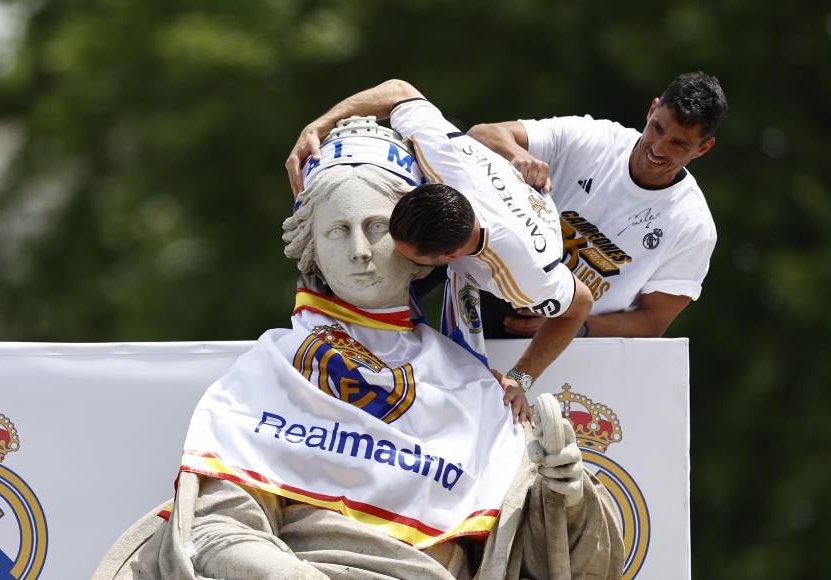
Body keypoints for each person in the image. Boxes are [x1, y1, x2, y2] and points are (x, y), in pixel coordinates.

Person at [95, 124, 622, 579]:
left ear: (422, 253)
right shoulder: (272, 367)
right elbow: (213, 529)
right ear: (312, 250)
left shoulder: (473, 383)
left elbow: (537, 556)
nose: (359, 251)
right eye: (336, 231)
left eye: (376, 228)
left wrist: (565, 494)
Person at [286, 80, 593, 419]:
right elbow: (399, 90)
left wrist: (521, 378)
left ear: (447, 259)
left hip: (533, 247)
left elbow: (580, 305)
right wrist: (317, 126)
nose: (367, 251)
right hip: (486, 189)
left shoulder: (525, 277)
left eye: (406, 253)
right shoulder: (442, 158)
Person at [466, 71, 726, 338]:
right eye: (657, 128)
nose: (658, 148)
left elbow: (651, 321)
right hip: (483, 290)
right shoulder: (591, 139)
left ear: (703, 148)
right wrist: (519, 155)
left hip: (567, 346)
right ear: (651, 110)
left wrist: (573, 323)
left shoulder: (694, 226)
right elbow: (481, 134)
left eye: (678, 144)